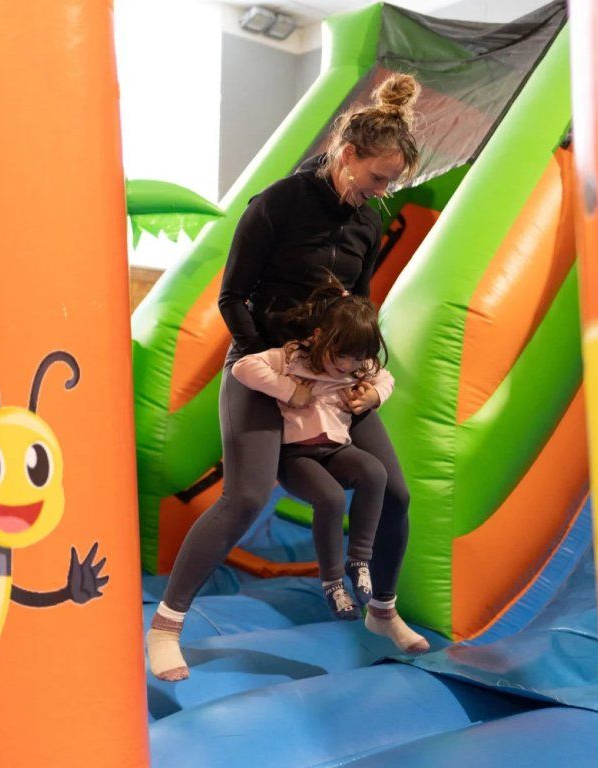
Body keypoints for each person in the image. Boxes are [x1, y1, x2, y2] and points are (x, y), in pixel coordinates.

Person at [147, 72, 430, 683]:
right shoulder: (277, 204)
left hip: (330, 374)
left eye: (392, 183)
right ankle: (165, 628)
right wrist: (279, 376)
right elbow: (232, 297)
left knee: (396, 491)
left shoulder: (367, 223)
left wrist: (359, 373)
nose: (382, 192)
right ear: (347, 154)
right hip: (265, 365)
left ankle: (382, 610)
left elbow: (358, 306)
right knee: (245, 497)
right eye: (378, 177)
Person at [231, 277, 394, 621]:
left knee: (375, 472)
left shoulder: (358, 366)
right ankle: (332, 582)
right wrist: (290, 391)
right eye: (340, 355)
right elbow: (244, 368)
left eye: (355, 358)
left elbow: (385, 378)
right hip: (296, 456)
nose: (346, 365)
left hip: (334, 450)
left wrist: (373, 396)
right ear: (319, 336)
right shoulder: (294, 357)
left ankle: (359, 559)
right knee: (331, 499)